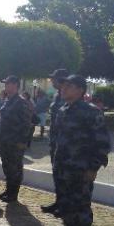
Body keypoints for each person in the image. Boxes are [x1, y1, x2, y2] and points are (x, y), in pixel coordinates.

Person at [47, 75, 111, 226]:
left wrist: (93, 167)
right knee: (66, 207)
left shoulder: (91, 112)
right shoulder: (62, 109)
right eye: (63, 86)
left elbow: (102, 142)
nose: (63, 89)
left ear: (80, 90)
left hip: (81, 169)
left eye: (68, 86)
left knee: (80, 207)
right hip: (62, 168)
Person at [0, 75, 32, 203]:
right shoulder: (7, 101)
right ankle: (8, 190)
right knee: (7, 167)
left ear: (16, 85)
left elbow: (27, 123)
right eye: (6, 84)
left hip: (16, 142)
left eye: (9, 84)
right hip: (5, 140)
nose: (7, 86)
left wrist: (23, 141)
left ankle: (13, 194)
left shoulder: (21, 102)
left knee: (15, 168)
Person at [41, 69, 69, 214]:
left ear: (61, 80)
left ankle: (65, 206)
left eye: (54, 79)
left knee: (66, 177)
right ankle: (59, 202)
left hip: (66, 146)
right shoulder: (58, 96)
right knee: (57, 174)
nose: (52, 81)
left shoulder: (69, 97)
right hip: (56, 143)